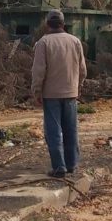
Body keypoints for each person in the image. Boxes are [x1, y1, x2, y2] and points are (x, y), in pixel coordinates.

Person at [31, 9, 87, 178]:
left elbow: (38, 71)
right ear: (63, 23)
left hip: (51, 94)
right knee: (71, 129)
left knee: (53, 131)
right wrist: (78, 86)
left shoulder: (43, 43)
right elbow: (83, 70)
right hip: (71, 93)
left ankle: (59, 167)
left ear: (47, 24)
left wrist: (36, 91)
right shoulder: (75, 41)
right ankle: (72, 164)